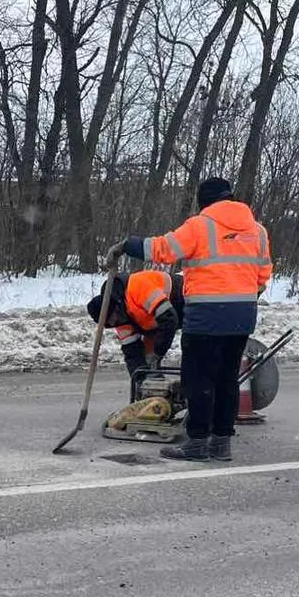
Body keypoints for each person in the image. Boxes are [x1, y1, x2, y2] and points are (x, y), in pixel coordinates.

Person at [114, 176, 272, 462]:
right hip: (242, 316)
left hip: (206, 316)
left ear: (204, 202)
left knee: (198, 379)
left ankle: (197, 442)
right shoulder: (258, 231)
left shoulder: (200, 226)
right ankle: (221, 443)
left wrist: (129, 245)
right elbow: (263, 276)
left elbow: (163, 249)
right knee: (227, 379)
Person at [86, 268, 184, 397]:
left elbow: (169, 319)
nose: (116, 323)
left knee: (193, 350)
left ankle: (195, 392)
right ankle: (158, 396)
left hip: (184, 297)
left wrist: (157, 353)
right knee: (148, 369)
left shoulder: (136, 287)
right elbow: (132, 352)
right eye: (111, 324)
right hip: (156, 324)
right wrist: (140, 381)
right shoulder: (119, 320)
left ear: (116, 307)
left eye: (114, 319)